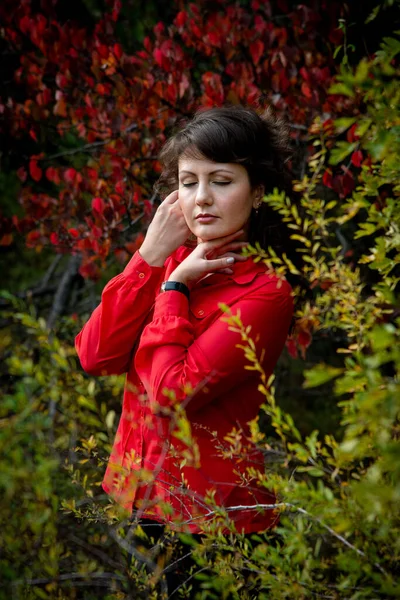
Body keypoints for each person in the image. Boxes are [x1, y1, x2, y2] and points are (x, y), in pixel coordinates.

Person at [75, 105, 295, 537]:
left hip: (214, 521)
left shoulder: (266, 292)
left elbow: (171, 394)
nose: (202, 198)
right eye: (189, 182)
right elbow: (95, 355)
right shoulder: (169, 258)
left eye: (222, 181)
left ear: (257, 193)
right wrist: (149, 258)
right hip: (141, 499)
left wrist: (174, 290)